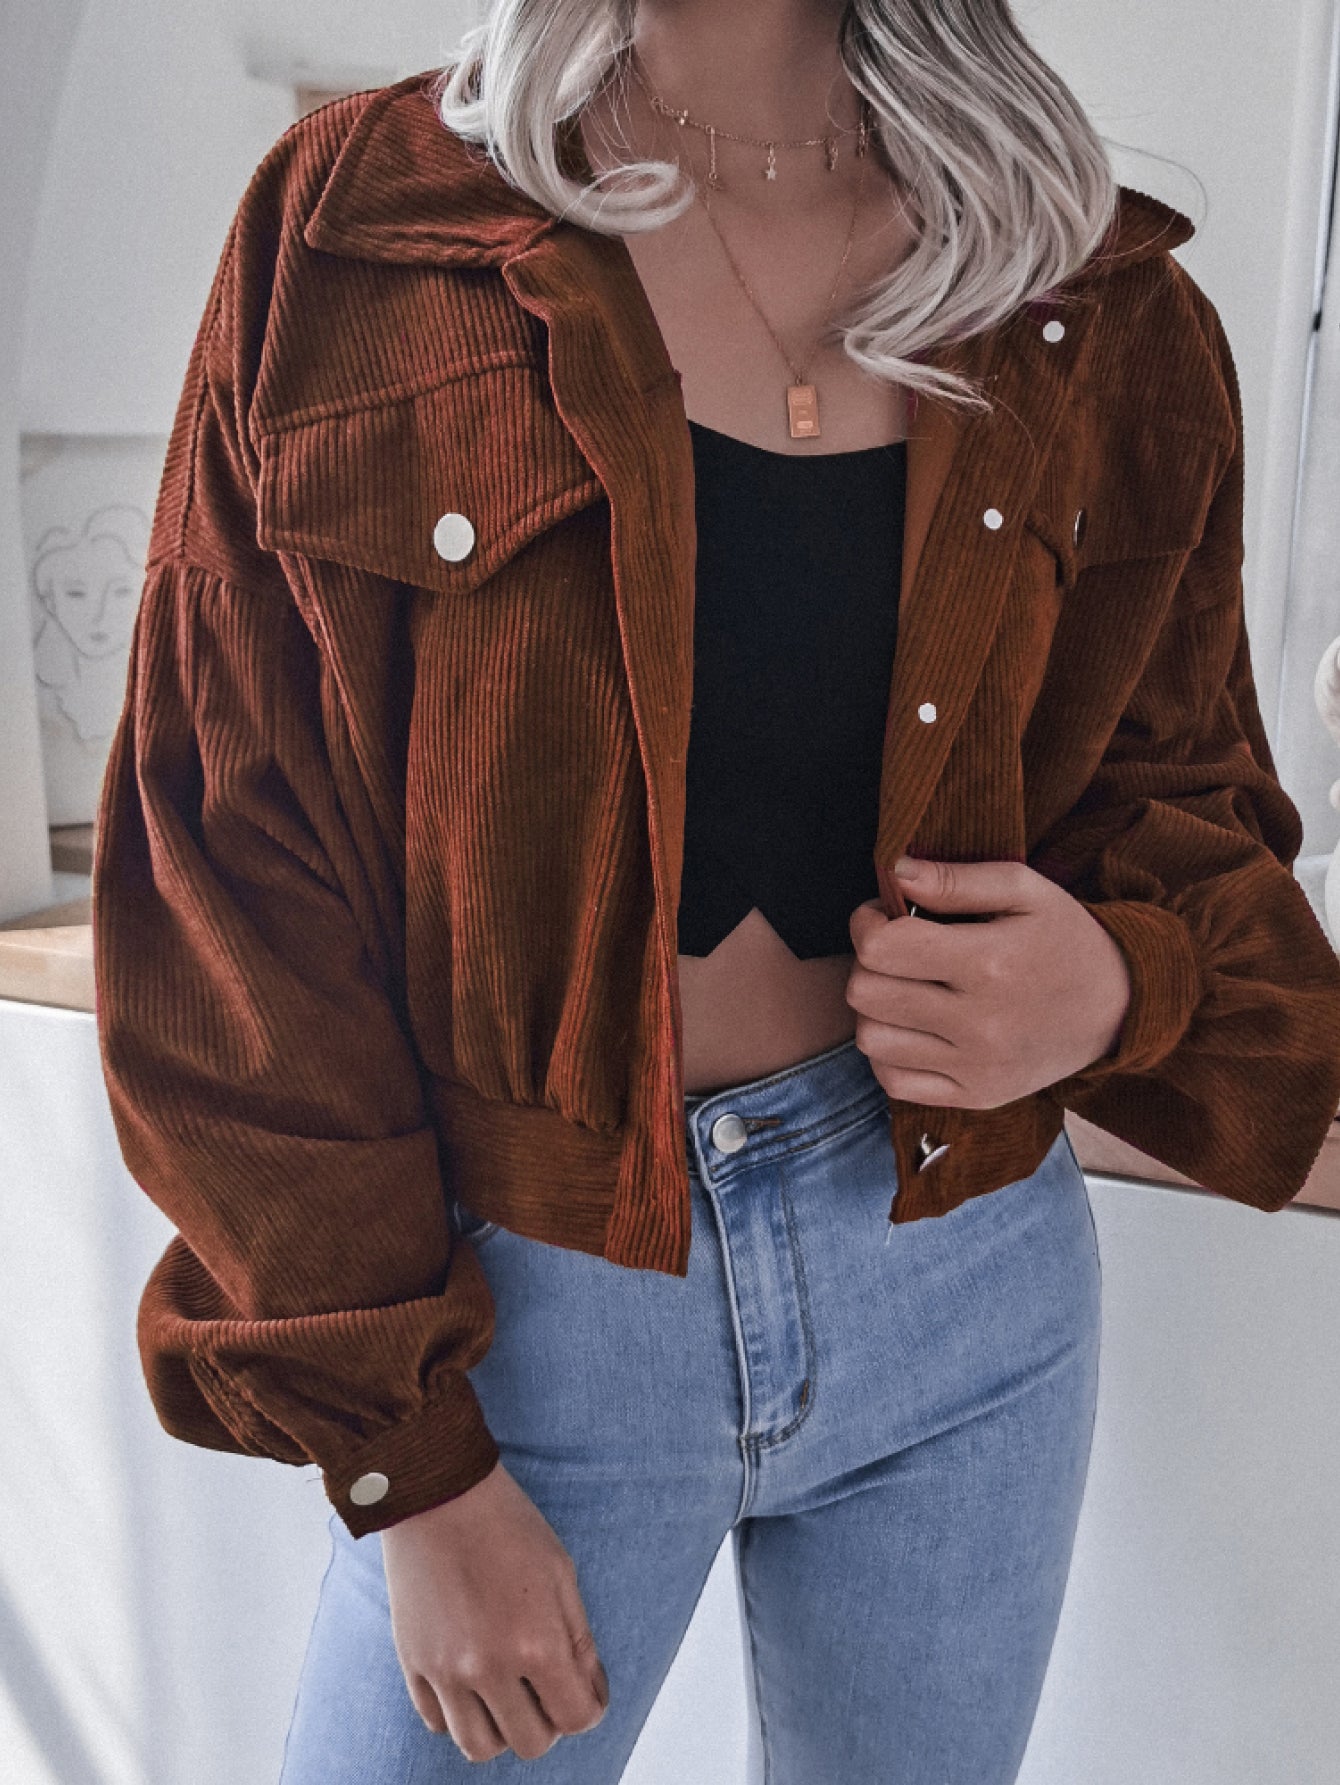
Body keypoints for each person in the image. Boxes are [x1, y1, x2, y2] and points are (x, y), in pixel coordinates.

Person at [90, 0, 1340, 1780]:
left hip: (965, 1285)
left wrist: (1118, 983)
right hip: (530, 1309)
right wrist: (408, 1467)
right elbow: (225, 865)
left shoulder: (1091, 293)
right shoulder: (363, 228)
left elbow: (1183, 796)